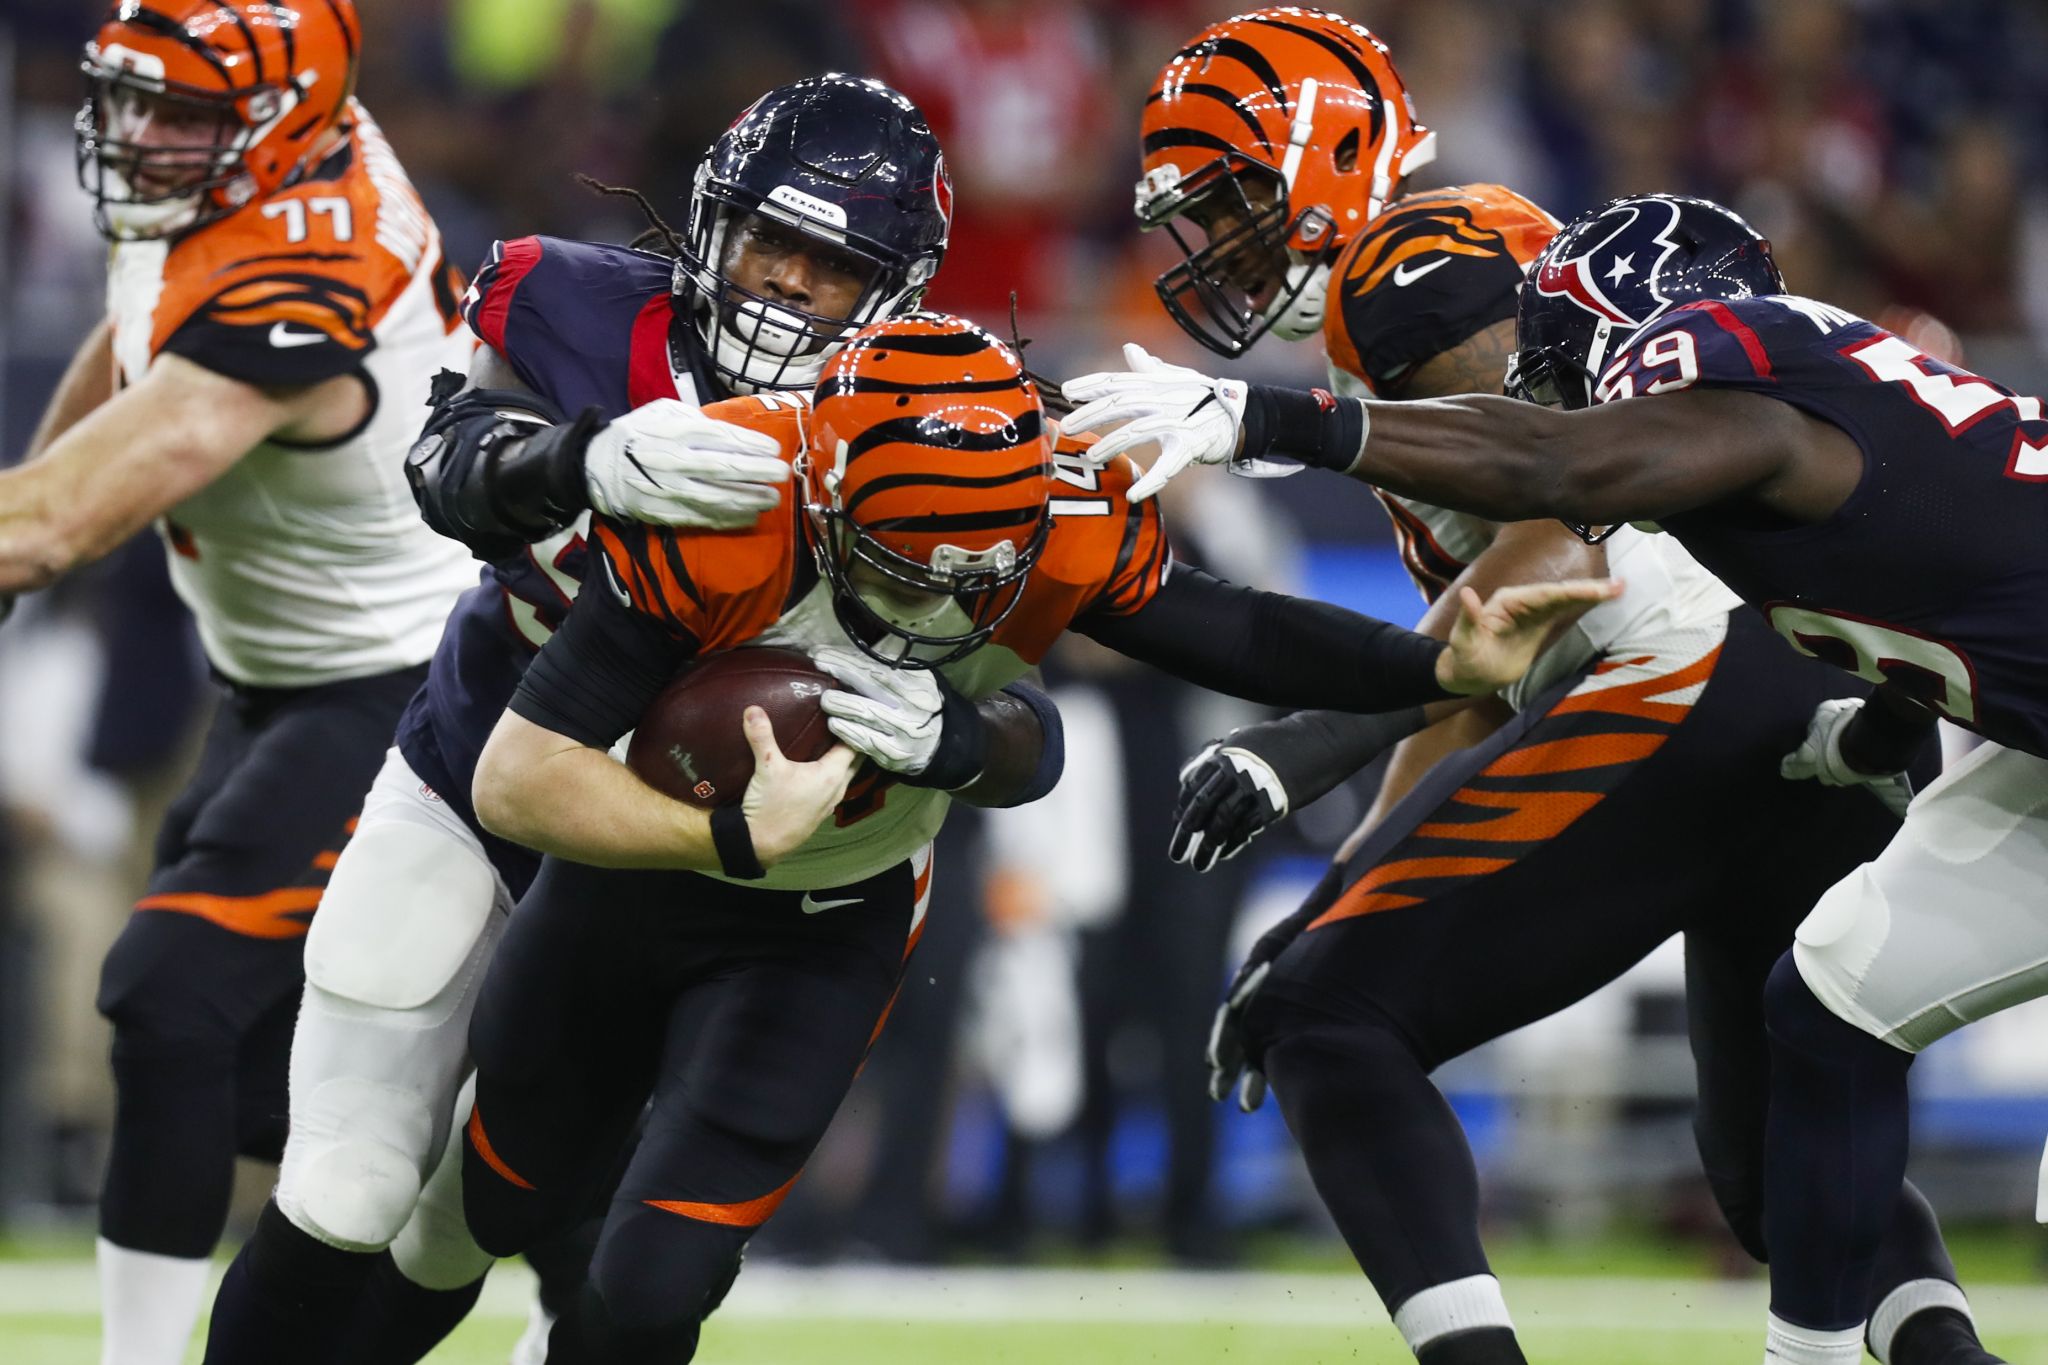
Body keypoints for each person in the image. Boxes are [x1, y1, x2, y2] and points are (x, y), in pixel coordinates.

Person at [1095, 14, 2000, 1365]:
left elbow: (1561, 504)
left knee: (1326, 1023)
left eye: (1230, 193)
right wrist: (1347, 880)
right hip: (1792, 689)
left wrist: (1314, 739)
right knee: (1771, 1172)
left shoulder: (1413, 266)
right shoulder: (1432, 275)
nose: (1210, 238)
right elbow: (1473, 683)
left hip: (1686, 671)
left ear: (1330, 158)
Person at [458, 308, 1618, 1362]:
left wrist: (1432, 667)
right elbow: (516, 777)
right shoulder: (735, 493)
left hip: (829, 911)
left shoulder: (1064, 518)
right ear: (831, 495)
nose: (933, 609)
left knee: (657, 1282)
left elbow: (1234, 635)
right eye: (904, 568)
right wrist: (719, 835)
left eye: (972, 577)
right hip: (630, 880)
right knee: (492, 1210)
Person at [199, 73, 934, 1365]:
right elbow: (450, 466)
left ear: (897, 287)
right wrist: (578, 460)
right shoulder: (574, 305)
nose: (788, 281)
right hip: (479, 767)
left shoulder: (924, 420)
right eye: (771, 236)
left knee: (506, 1224)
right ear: (710, 219)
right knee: (347, 1188)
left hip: (686, 857)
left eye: (833, 262)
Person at [4, 4, 481, 1361]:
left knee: (172, 993)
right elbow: (131, 334)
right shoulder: (254, 160)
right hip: (286, 680)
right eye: (132, 101)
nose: (139, 138)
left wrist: (32, 534)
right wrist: (35, 515)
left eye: (181, 117)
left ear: (276, 129)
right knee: (270, 1092)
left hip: (406, 693)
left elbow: (53, 520)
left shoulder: (299, 277)